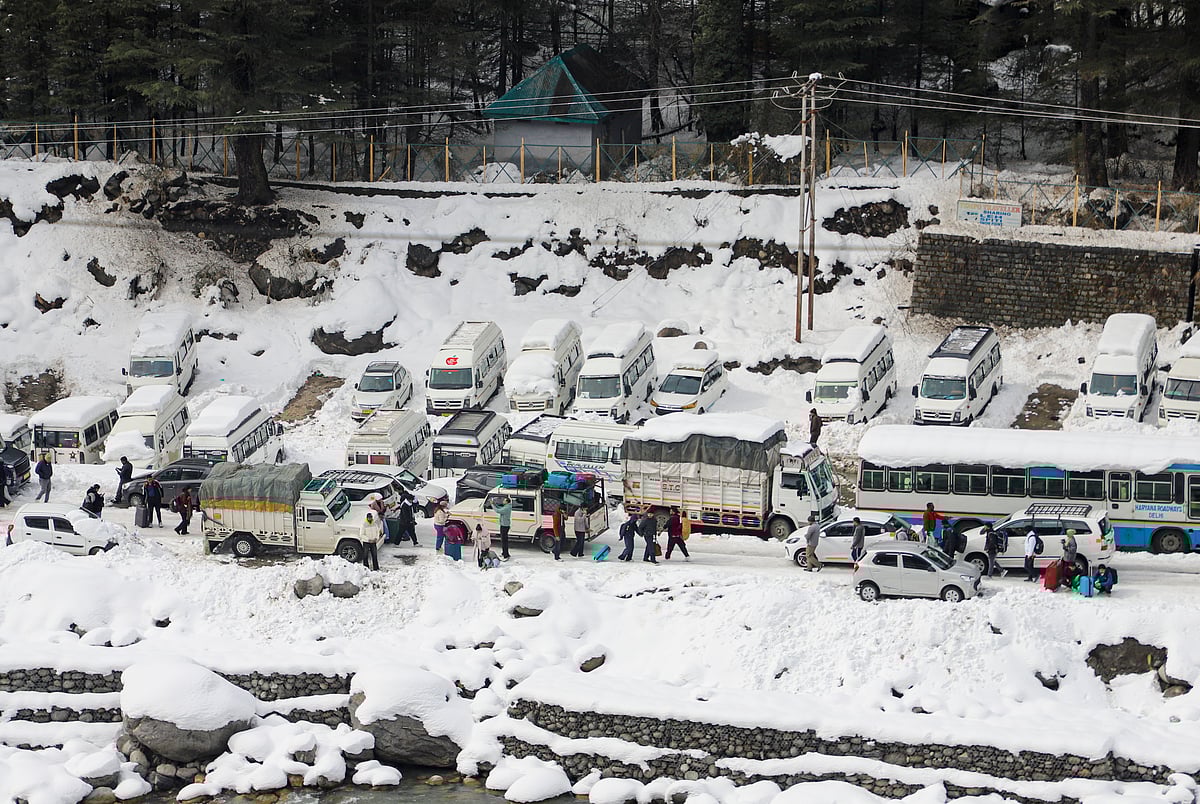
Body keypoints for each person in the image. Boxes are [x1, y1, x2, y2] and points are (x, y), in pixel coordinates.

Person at [491, 494, 512, 560]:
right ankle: (504, 553)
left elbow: (498, 511)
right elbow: (499, 508)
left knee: (504, 541)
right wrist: (494, 504)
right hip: (504, 525)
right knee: (504, 540)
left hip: (504, 526)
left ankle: (506, 555)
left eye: (504, 501)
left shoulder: (507, 508)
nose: (503, 501)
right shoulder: (507, 506)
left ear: (507, 502)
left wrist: (492, 505)